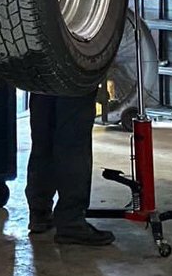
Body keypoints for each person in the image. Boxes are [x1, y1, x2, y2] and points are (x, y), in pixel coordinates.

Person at [26, 90, 114, 246]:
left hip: (38, 75)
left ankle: (39, 213)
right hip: (73, 77)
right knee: (73, 144)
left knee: (44, 138)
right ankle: (71, 222)